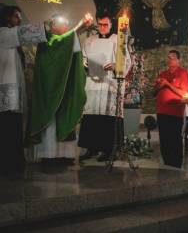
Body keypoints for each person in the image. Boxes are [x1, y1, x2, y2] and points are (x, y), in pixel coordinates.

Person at [30, 14, 93, 163]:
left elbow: (69, 45)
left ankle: (65, 155)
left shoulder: (65, 40)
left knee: (64, 116)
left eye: (67, 23)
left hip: (64, 88)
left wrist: (82, 27)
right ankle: (49, 155)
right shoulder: (47, 39)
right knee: (51, 121)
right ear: (53, 26)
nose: (66, 26)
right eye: (62, 23)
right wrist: (80, 25)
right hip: (50, 89)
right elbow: (62, 43)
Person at [0, 5, 48, 176]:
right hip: (6, 96)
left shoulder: (9, 38)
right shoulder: (4, 33)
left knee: (12, 131)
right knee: (8, 131)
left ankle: (12, 165)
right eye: (16, 17)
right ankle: (9, 166)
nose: (19, 20)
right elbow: (24, 33)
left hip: (13, 94)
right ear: (6, 18)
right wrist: (48, 26)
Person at [78, 13, 132, 162]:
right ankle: (91, 148)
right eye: (100, 24)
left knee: (108, 116)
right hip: (93, 81)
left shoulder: (118, 40)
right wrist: (84, 63)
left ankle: (109, 150)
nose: (102, 27)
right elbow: (83, 58)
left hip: (110, 83)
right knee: (91, 115)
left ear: (111, 25)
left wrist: (115, 65)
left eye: (105, 25)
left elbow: (127, 62)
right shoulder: (89, 40)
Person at [154, 50, 188, 168]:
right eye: (168, 57)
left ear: (179, 60)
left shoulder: (183, 73)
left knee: (174, 139)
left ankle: (176, 165)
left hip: (175, 113)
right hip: (161, 111)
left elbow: (184, 92)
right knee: (164, 139)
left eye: (173, 58)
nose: (170, 60)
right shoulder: (163, 73)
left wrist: (168, 84)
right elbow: (153, 92)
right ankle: (166, 164)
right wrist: (159, 85)